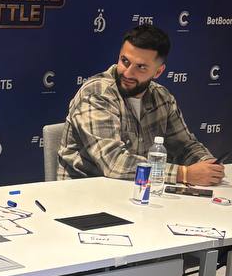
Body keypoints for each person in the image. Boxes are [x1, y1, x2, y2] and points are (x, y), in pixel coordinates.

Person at [57, 24, 223, 185]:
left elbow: (185, 146)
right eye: (125, 61)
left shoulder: (162, 97)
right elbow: (114, 163)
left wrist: (208, 165)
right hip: (84, 192)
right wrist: (184, 174)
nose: (128, 73)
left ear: (158, 72)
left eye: (141, 67)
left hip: (135, 190)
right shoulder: (97, 93)